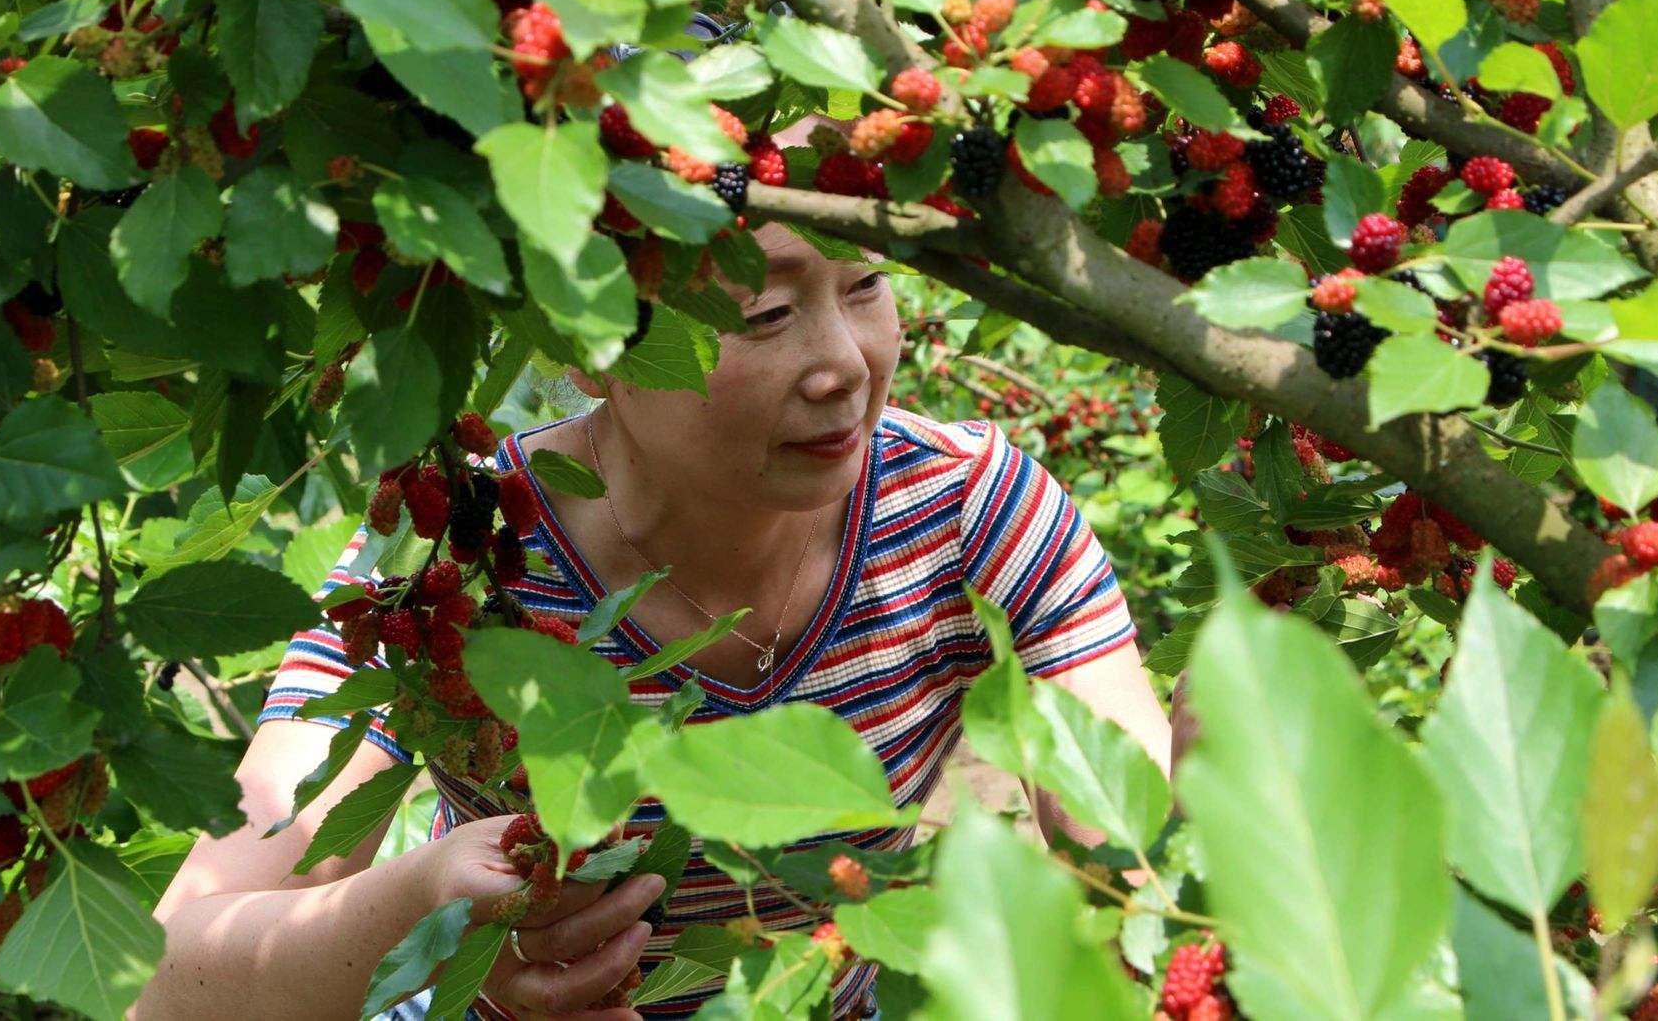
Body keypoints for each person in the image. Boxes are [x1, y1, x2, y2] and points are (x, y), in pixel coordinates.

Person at [139, 147, 1175, 1021]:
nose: (844, 363)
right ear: (587, 341)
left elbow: (1144, 875)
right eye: (765, 313)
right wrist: (422, 909)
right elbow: (171, 973)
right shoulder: (453, 559)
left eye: (864, 284)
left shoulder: (967, 514)